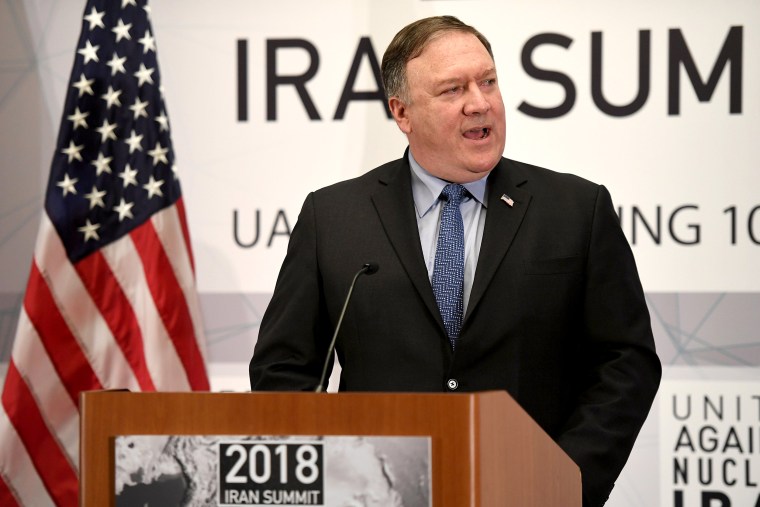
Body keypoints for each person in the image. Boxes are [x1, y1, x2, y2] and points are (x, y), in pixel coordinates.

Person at [250, 15, 661, 507]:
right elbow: (284, 368)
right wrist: (332, 479)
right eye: (452, 90)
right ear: (402, 113)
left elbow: (626, 362)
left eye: (488, 81)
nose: (480, 102)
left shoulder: (576, 209)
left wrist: (565, 479)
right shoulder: (334, 217)